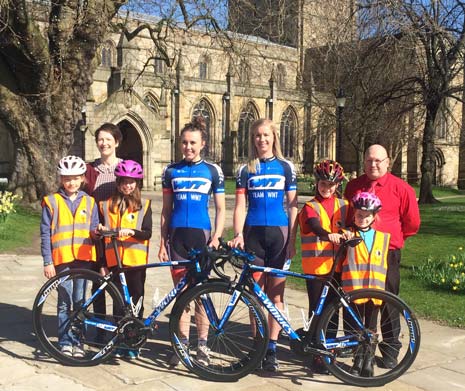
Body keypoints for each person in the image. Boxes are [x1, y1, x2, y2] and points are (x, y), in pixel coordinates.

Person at [230, 118, 298, 372]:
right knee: (254, 295)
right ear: (253, 139)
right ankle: (257, 345)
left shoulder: (285, 167)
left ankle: (272, 348)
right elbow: (239, 206)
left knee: (276, 295)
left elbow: (293, 206)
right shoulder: (245, 170)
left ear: (274, 137)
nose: (262, 140)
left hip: (279, 237)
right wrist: (238, 234)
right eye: (257, 136)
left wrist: (292, 240)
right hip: (253, 236)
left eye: (266, 135)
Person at [344, 144, 420, 368]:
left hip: (387, 253)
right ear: (364, 162)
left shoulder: (402, 188)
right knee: (357, 299)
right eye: (369, 160)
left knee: (388, 301)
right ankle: (358, 348)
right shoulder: (354, 186)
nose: (373, 164)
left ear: (388, 162)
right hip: (358, 251)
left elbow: (412, 223)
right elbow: (349, 216)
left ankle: (389, 350)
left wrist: (394, 240)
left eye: (378, 160)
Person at [159, 116, 225, 367]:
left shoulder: (212, 170)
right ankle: (181, 345)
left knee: (201, 295)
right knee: (182, 295)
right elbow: (166, 210)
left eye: (193, 143)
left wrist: (217, 236)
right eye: (184, 142)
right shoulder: (171, 171)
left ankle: (203, 346)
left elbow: (220, 208)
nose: (188, 147)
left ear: (203, 144)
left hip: (201, 239)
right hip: (177, 239)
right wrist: (162, 242)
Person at [40, 155, 99, 358]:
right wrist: (48, 261)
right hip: (62, 260)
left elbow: (93, 229)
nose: (71, 182)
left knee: (80, 301)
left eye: (75, 178)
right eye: (66, 178)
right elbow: (45, 233)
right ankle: (65, 341)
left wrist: (99, 232)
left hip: (83, 259)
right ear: (60, 179)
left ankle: (78, 341)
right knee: (64, 301)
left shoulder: (90, 202)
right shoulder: (51, 202)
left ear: (82, 178)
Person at [298, 159, 348, 374]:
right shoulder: (310, 207)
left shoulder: (345, 206)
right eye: (323, 184)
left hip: (339, 268)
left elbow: (356, 224)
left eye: (331, 184)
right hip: (317, 268)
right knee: (317, 311)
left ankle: (329, 349)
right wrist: (329, 236)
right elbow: (315, 226)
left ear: (338, 185)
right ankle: (318, 353)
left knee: (333, 311)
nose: (327, 188)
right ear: (316, 184)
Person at [99, 159, 152, 360]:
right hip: (114, 262)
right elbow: (102, 235)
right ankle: (119, 341)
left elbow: (147, 233)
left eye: (131, 181)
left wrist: (132, 232)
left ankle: (134, 342)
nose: (127, 185)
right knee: (119, 303)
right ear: (118, 182)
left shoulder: (144, 205)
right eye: (124, 181)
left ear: (137, 183)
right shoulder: (106, 205)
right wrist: (103, 263)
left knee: (136, 302)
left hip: (136, 262)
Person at [341, 192, 390, 377]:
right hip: (353, 289)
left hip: (375, 292)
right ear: (354, 215)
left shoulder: (383, 238)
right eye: (359, 215)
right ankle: (357, 358)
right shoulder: (348, 235)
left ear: (374, 217)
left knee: (370, 327)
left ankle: (368, 360)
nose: (362, 219)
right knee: (354, 327)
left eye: (367, 216)